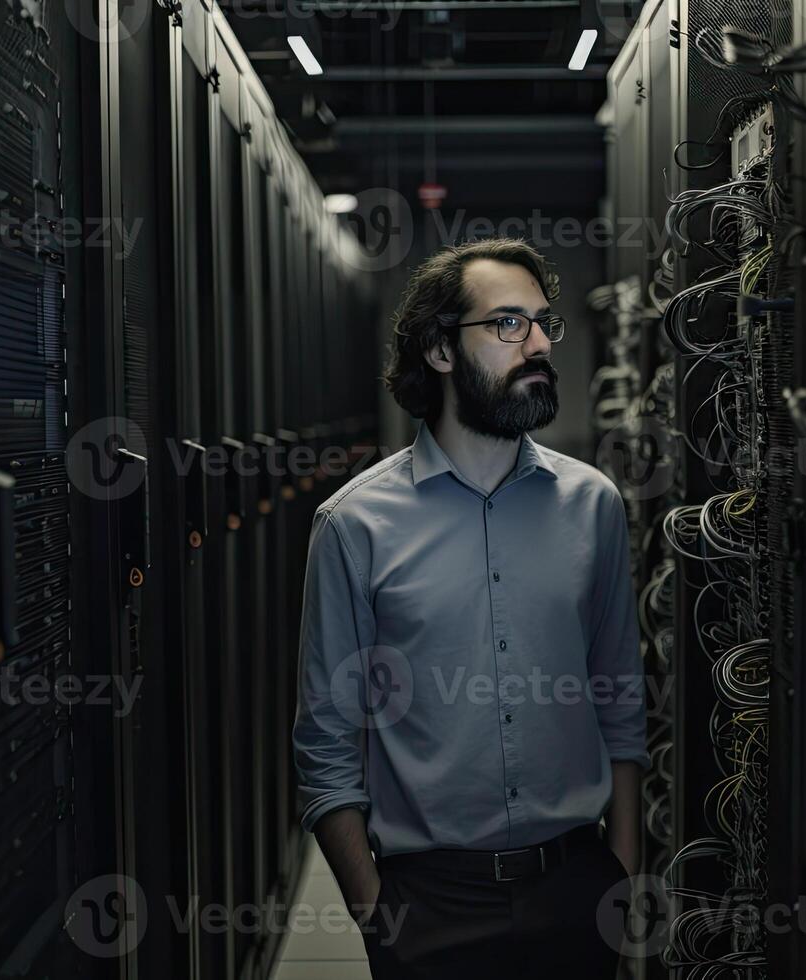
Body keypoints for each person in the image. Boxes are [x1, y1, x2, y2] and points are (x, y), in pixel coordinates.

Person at [291, 238, 648, 979]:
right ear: (440, 351)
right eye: (508, 324)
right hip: (427, 904)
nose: (542, 343)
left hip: (576, 887)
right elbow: (326, 743)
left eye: (545, 323)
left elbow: (620, 699)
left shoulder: (594, 506)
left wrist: (618, 869)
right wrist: (373, 911)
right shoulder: (354, 525)